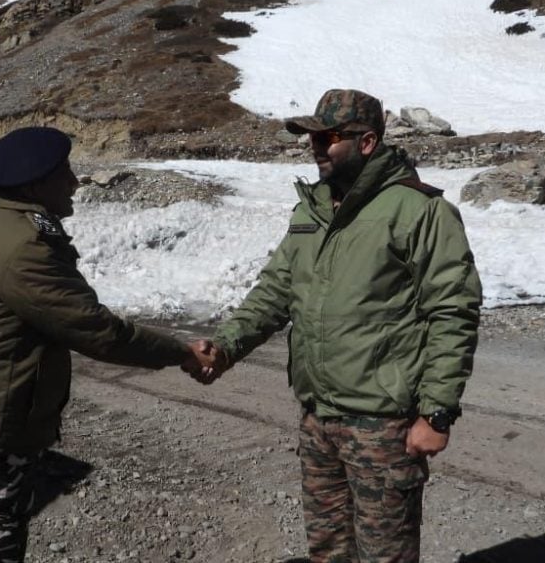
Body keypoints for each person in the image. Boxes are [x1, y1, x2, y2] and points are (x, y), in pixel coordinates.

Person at [194, 89, 482, 562]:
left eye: (327, 137)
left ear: (366, 142)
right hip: (318, 418)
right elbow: (274, 292)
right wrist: (225, 347)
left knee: (384, 555)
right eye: (311, 137)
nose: (315, 147)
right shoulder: (313, 209)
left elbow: (453, 311)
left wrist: (436, 413)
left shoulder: (418, 211)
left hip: (382, 426)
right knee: (327, 550)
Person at [0, 126, 212, 563]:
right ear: (34, 184)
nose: (76, 182)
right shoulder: (22, 248)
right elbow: (97, 332)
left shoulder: (1, 227)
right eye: (64, 173)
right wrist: (182, 353)